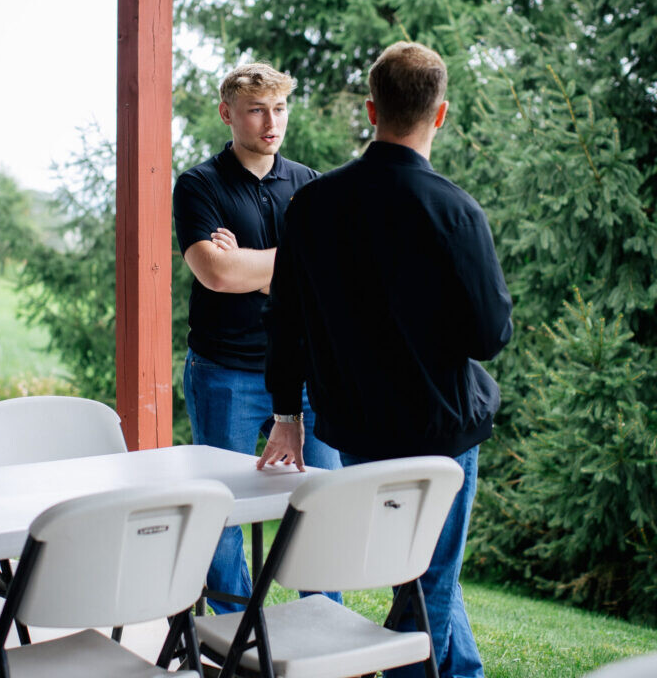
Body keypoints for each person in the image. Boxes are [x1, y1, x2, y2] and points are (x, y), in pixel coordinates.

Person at [258, 41, 513, 678]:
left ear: (373, 109)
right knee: (428, 584)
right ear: (442, 114)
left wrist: (286, 413)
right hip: (440, 431)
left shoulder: (311, 205)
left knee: (420, 580)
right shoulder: (455, 210)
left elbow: (284, 320)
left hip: (357, 429)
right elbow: (489, 336)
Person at [173, 62, 342, 615]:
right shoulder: (199, 185)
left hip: (305, 370)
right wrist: (288, 261)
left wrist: (252, 259)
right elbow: (216, 275)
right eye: (256, 110)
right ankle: (239, 636)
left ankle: (324, 623)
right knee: (223, 510)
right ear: (228, 114)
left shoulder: (308, 182)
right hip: (227, 371)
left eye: (280, 108)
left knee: (322, 503)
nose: (272, 122)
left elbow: (327, 275)